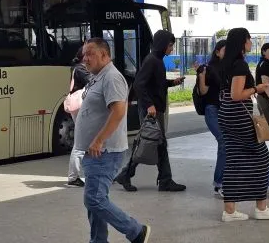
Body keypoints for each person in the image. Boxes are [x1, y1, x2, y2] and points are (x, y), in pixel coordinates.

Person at [75, 38, 151, 243]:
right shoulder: (98, 77)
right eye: (84, 54)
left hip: (104, 151)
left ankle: (136, 231)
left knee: (94, 199)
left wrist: (99, 140)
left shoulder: (112, 78)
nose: (85, 58)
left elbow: (118, 111)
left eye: (90, 53)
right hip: (96, 152)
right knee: (96, 200)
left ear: (104, 55)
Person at [218, 28, 269, 221]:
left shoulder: (226, 63)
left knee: (234, 160)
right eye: (249, 39)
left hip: (226, 114)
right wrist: (256, 88)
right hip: (238, 116)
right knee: (261, 157)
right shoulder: (239, 65)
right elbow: (236, 95)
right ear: (242, 42)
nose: (251, 42)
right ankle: (261, 207)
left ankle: (230, 210)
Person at [116, 30, 185, 192]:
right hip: (151, 110)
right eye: (170, 45)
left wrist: (172, 82)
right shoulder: (152, 60)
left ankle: (164, 179)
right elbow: (139, 84)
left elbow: (155, 84)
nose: (171, 48)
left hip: (155, 108)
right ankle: (128, 174)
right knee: (148, 142)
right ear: (162, 44)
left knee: (157, 143)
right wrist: (149, 105)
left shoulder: (157, 60)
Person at [196, 40, 227, 197]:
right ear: (217, 52)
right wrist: (201, 76)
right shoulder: (209, 68)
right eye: (225, 50)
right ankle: (219, 183)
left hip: (225, 109)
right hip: (212, 110)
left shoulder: (230, 67)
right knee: (223, 141)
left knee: (228, 143)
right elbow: (203, 91)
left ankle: (224, 180)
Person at [68, 47, 93, 187]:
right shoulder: (80, 69)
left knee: (88, 140)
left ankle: (95, 172)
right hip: (80, 107)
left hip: (81, 107)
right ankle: (73, 177)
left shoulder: (79, 68)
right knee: (80, 142)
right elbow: (92, 81)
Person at [254, 43, 269, 134]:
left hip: (264, 98)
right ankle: (258, 142)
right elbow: (266, 84)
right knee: (267, 125)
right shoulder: (265, 64)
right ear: (263, 52)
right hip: (265, 99)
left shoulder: (265, 63)